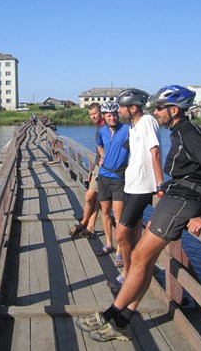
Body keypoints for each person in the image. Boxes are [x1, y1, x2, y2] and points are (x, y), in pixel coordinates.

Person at [76, 85, 201, 342]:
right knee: (140, 259)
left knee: (139, 257)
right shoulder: (180, 132)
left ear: (174, 110)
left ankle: (110, 315)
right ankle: (122, 320)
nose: (155, 112)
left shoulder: (188, 133)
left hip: (182, 201)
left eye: (160, 108)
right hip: (173, 198)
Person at [109, 88, 163, 292]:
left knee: (121, 234)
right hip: (130, 185)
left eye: (122, 107)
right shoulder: (132, 126)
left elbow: (155, 151)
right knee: (132, 233)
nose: (119, 110)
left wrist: (159, 184)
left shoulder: (147, 121)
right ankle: (139, 269)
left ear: (133, 108)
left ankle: (128, 273)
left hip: (142, 187)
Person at [94, 102, 130, 256]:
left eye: (114, 114)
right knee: (106, 212)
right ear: (104, 116)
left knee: (119, 215)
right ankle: (109, 244)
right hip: (103, 176)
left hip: (119, 178)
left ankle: (120, 250)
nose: (112, 117)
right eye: (108, 115)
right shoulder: (101, 131)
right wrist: (103, 157)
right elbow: (99, 145)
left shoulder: (127, 130)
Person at [69, 103, 105, 239]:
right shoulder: (100, 127)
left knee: (90, 196)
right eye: (90, 114)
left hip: (103, 167)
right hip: (98, 166)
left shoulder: (105, 127)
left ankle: (84, 223)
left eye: (95, 113)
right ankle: (90, 227)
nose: (93, 116)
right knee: (95, 198)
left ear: (100, 112)